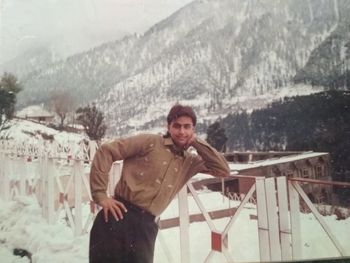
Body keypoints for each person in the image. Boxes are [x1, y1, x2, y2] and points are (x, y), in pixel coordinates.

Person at [89, 104, 230, 263]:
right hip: (116, 216)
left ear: (193, 129)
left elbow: (223, 170)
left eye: (187, 127)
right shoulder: (149, 141)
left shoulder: (191, 162)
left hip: (146, 228)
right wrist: (100, 194)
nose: (182, 131)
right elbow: (106, 151)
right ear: (168, 126)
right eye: (177, 126)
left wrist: (196, 143)